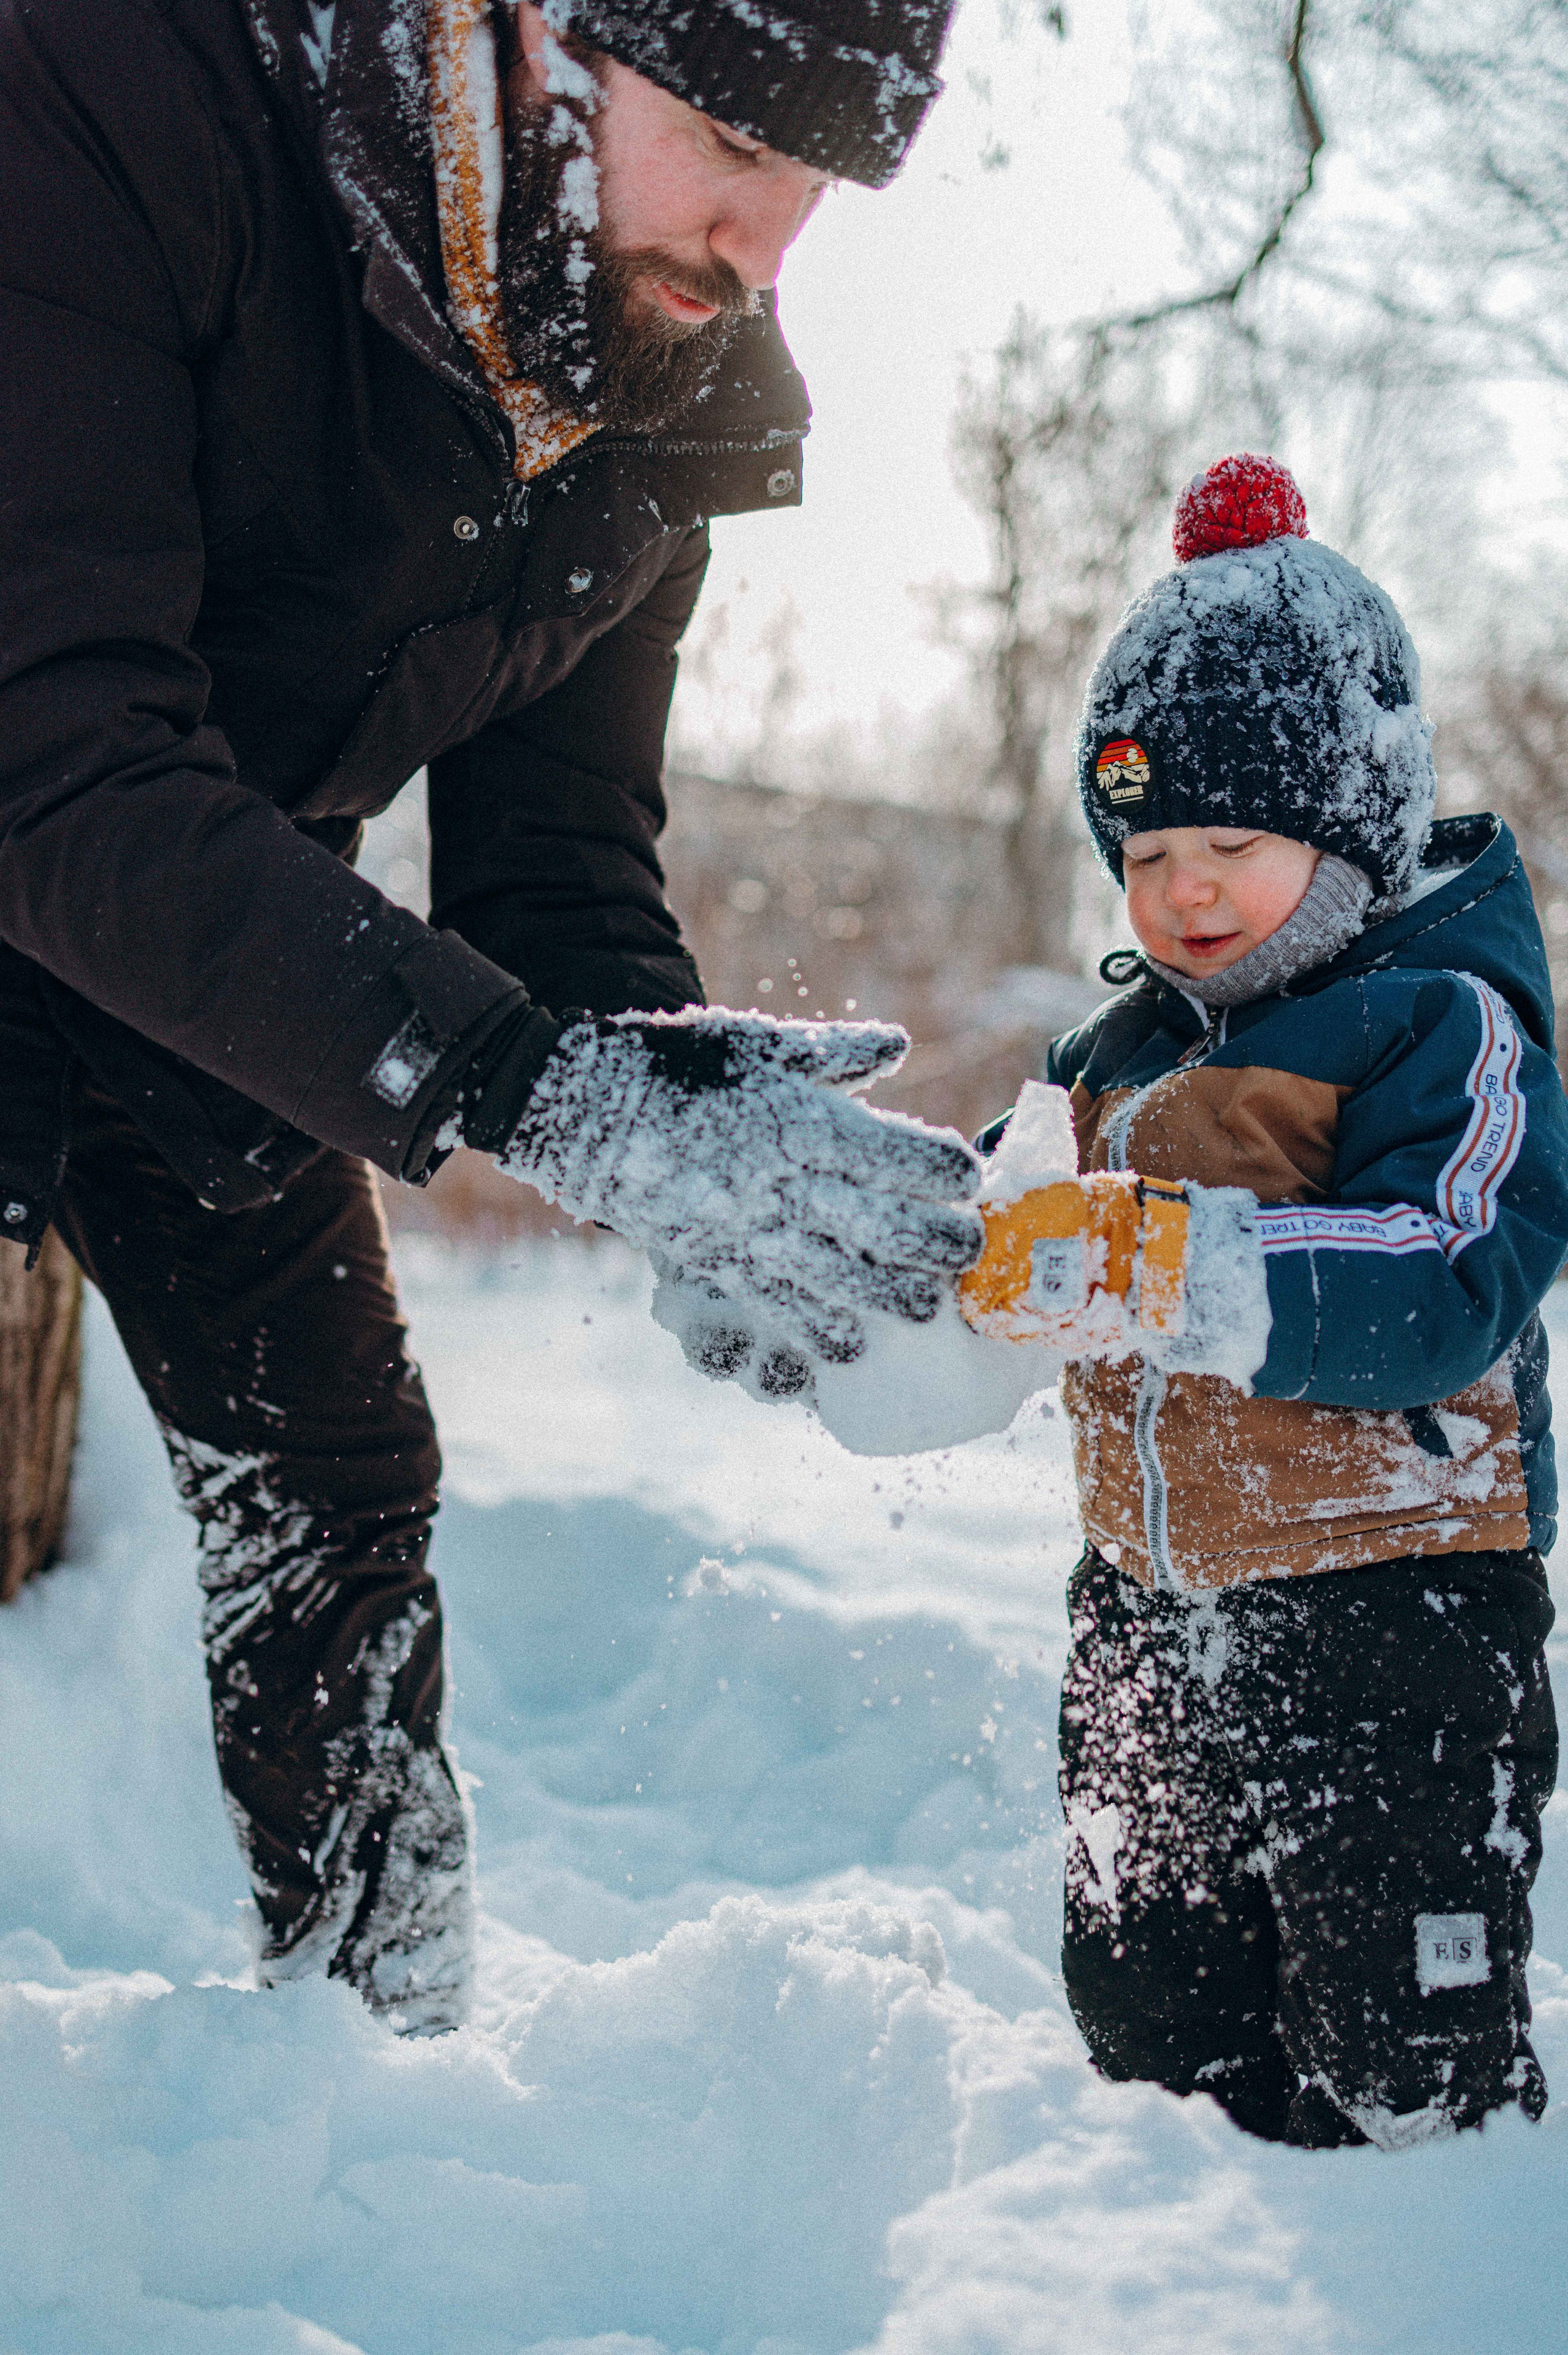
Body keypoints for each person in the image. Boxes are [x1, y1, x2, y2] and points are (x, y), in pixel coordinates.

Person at [0, 0, 982, 2030]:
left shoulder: (670, 361)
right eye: (727, 136)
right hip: (68, 812)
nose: (760, 244)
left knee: (337, 1488)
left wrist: (674, 1132)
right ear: (527, 36)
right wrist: (552, 1101)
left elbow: (557, 872)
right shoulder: (120, 94)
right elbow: (57, 756)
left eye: (819, 187)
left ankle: (379, 2072)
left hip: (229, 949)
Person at [967, 452, 1568, 2147]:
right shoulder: (1116, 1055)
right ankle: (1177, 2268)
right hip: (1148, 1609)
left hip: (1396, 1610)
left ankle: (1423, 2265)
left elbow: (1459, 1270)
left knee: (1402, 2063)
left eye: (1235, 842)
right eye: (1148, 853)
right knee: (1149, 2017)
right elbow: (1003, 1224)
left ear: (1352, 828)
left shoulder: (1441, 1022)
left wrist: (1181, 1264)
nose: (1187, 894)